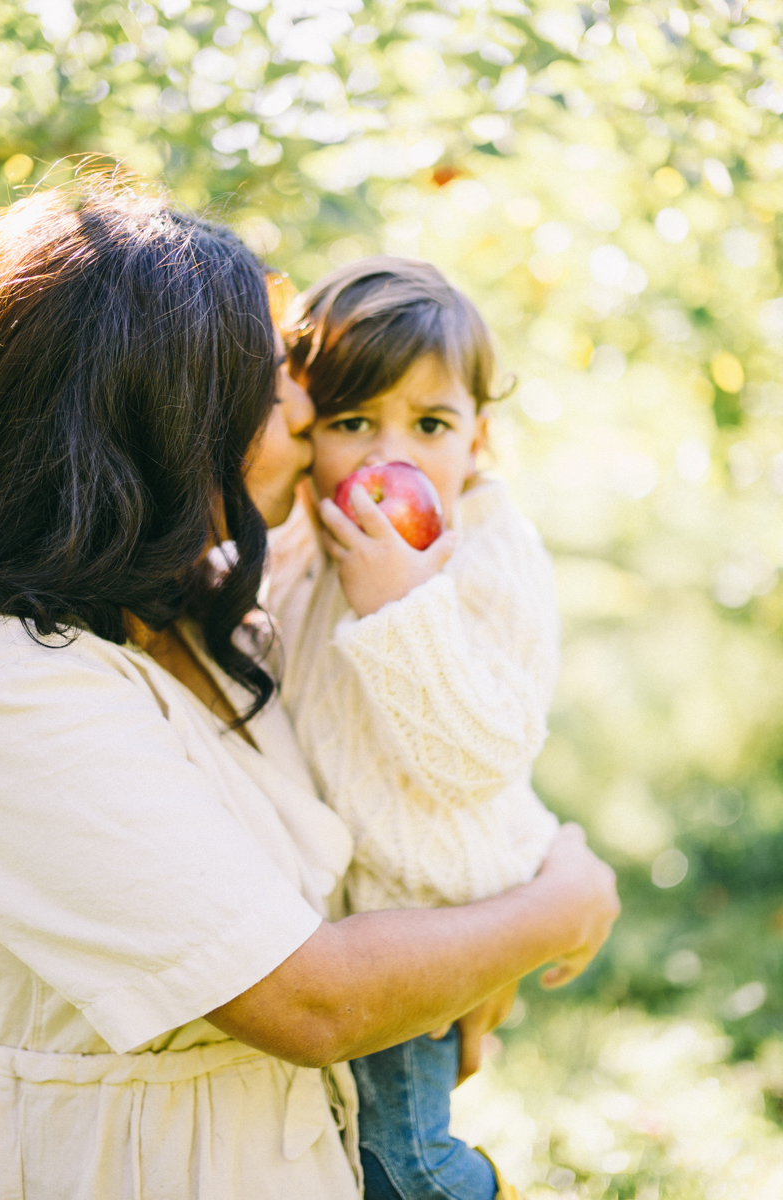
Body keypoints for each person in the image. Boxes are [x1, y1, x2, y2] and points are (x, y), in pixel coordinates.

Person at [0, 181, 619, 1200]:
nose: (306, 408)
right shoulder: (13, 680)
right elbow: (309, 996)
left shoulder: (198, 612)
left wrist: (457, 954)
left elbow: (411, 777)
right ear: (167, 414)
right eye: (276, 377)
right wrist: (559, 907)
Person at [268, 257, 569, 1200]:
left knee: (403, 1169)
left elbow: (483, 752)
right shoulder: (306, 542)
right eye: (354, 423)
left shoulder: (485, 553)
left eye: (429, 425)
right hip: (338, 935)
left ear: (479, 439)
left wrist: (403, 610)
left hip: (424, 926)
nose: (385, 458)